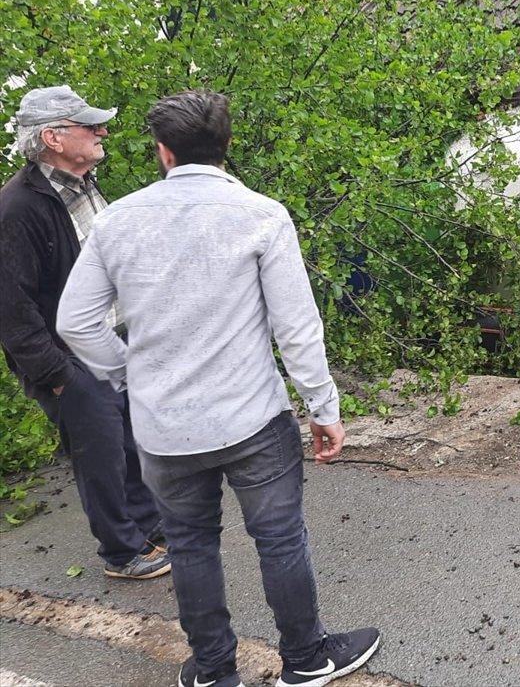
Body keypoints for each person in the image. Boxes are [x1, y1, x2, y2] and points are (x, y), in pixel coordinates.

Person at [56, 92, 380, 687]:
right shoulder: (260, 214)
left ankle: (212, 671)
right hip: (251, 420)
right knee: (280, 539)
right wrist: (323, 407)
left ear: (163, 152)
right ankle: (305, 662)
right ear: (227, 146)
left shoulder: (116, 220)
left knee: (189, 543)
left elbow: (74, 322)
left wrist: (128, 371)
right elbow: (296, 326)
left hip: (163, 428)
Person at [0, 86, 169, 581]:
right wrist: (55, 375)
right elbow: (11, 307)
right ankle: (121, 552)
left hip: (111, 341)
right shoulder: (16, 209)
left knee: (131, 440)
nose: (102, 133)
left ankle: (149, 527)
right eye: (89, 126)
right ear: (52, 137)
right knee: (99, 453)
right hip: (65, 359)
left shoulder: (83, 184)